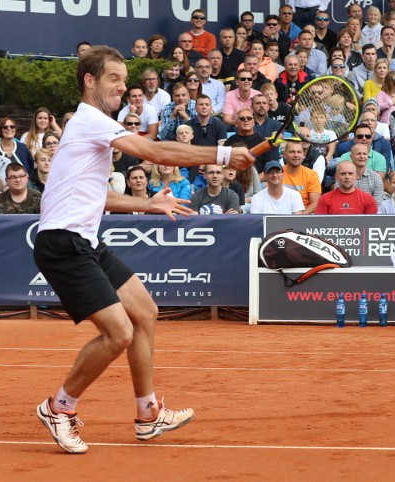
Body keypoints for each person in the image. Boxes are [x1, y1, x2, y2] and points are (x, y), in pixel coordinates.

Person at [33, 46, 253, 454]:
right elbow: (155, 153)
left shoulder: (93, 128)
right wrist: (222, 153)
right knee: (118, 333)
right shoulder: (90, 121)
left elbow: (94, 194)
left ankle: (147, 414)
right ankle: (58, 407)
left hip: (84, 239)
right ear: (90, 81)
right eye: (114, 79)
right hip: (63, 244)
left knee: (144, 311)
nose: (123, 86)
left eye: (124, 79)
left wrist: (148, 203)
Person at [281, 141, 320, 214]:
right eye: (292, 152)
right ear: (285, 155)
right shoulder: (278, 173)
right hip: (280, 215)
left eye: (299, 152)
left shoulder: (312, 174)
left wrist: (300, 217)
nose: (296, 155)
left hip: (304, 216)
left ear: (303, 155)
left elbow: (315, 203)